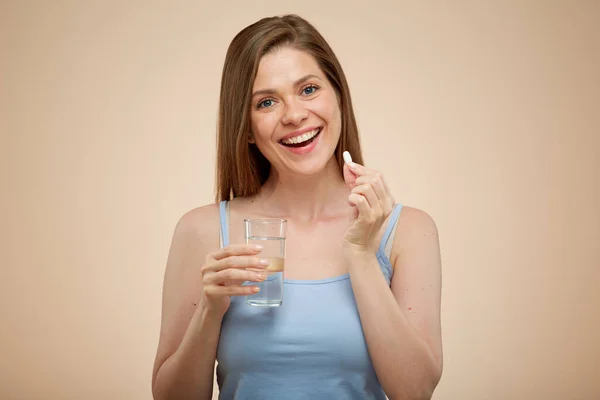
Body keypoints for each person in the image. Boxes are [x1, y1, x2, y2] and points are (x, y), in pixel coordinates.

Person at [151, 14, 443, 400]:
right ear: (247, 129)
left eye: (308, 89)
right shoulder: (202, 231)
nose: (293, 115)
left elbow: (415, 391)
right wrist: (210, 311)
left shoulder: (407, 231)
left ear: (338, 95)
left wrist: (360, 254)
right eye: (267, 102)